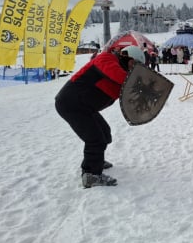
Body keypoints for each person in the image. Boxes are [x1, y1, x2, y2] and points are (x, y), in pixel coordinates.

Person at [55, 46, 145, 188]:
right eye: (134, 64)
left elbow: (127, 93)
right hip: (71, 104)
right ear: (127, 56)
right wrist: (136, 84)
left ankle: (96, 160)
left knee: (104, 132)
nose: (134, 68)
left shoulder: (124, 73)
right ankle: (91, 175)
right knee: (95, 139)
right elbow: (117, 75)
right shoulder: (107, 59)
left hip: (85, 107)